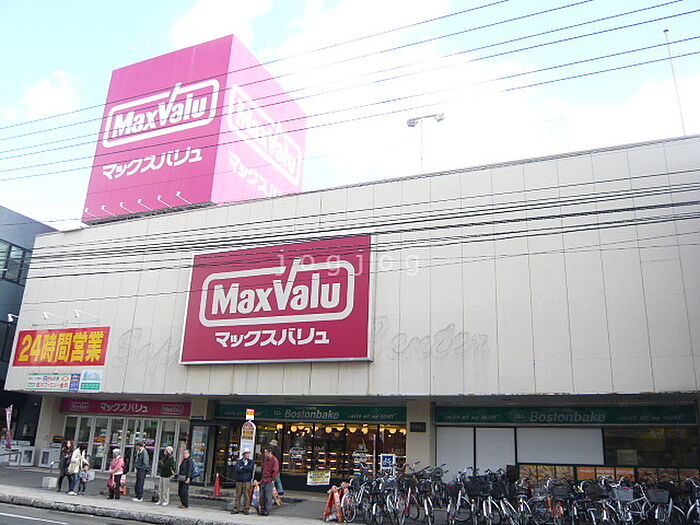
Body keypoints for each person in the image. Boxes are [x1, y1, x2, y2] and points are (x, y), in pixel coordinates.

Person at [232, 449, 254, 515]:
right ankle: (236, 508)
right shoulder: (239, 462)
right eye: (246, 453)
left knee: (247, 495)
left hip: (247, 480)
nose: (248, 455)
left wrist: (243, 467)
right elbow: (238, 470)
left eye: (249, 453)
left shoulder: (251, 462)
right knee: (238, 495)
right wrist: (245, 468)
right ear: (243, 454)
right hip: (239, 480)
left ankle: (246, 509)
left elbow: (250, 468)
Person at [259, 448, 279, 516]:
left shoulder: (274, 460)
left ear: (270, 453)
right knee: (262, 496)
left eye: (266, 452)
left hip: (269, 480)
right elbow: (263, 469)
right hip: (263, 479)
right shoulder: (265, 460)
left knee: (268, 496)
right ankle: (262, 509)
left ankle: (267, 510)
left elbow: (275, 471)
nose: (265, 454)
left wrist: (272, 479)